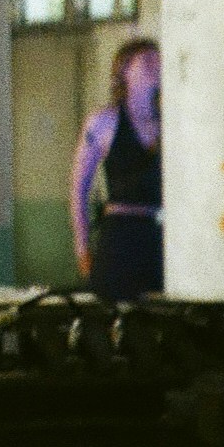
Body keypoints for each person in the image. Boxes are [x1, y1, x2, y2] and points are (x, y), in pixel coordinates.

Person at [70, 37, 162, 301]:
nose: (156, 66)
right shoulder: (103, 122)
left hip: (160, 236)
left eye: (158, 60)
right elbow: (79, 189)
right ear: (124, 70)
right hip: (119, 236)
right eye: (147, 60)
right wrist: (82, 248)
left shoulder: (170, 122)